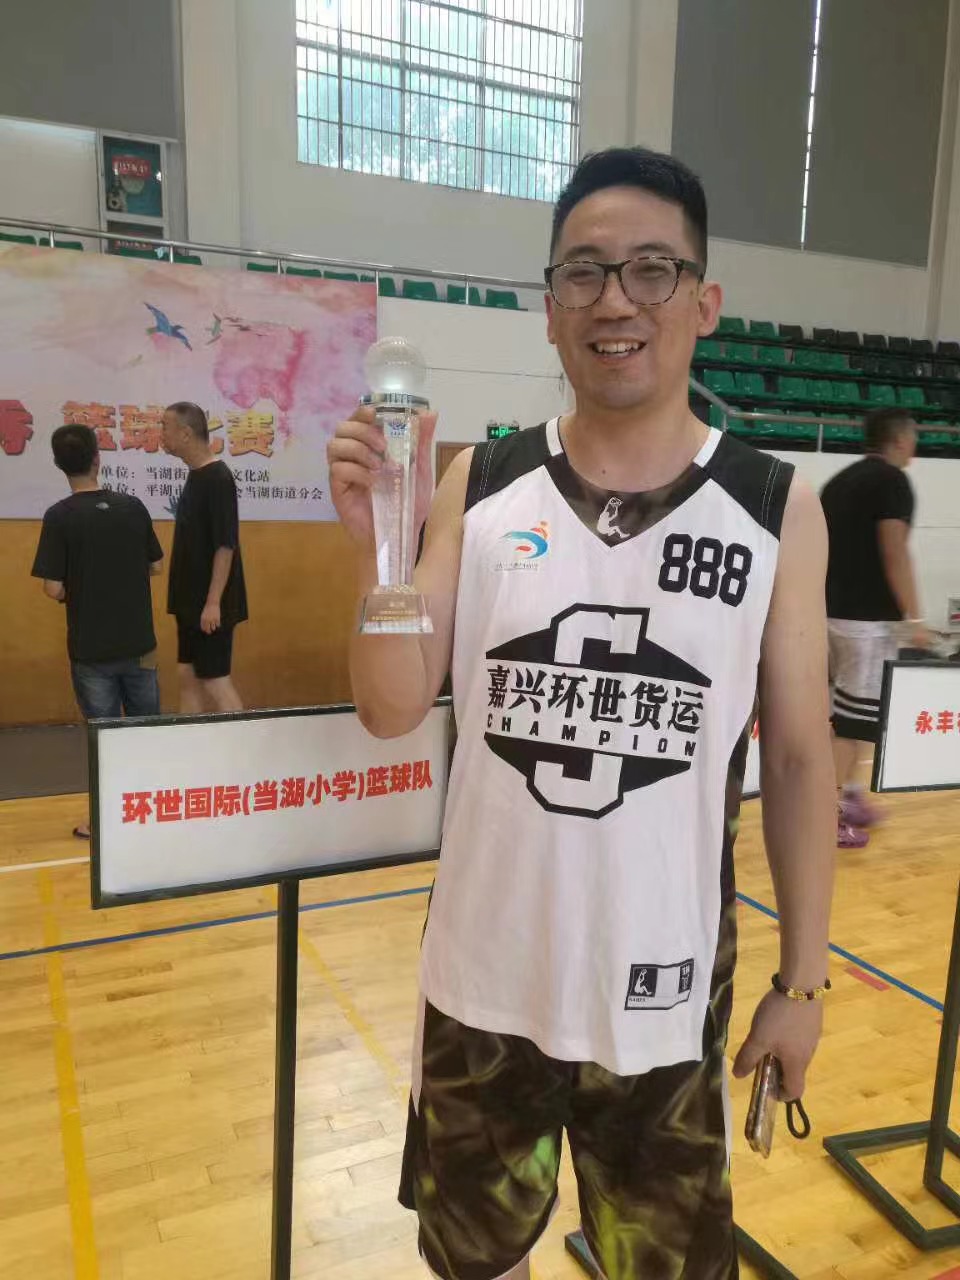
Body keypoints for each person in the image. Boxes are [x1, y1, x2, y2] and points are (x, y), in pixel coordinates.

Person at [329, 146, 835, 1280]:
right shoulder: (478, 481)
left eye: (652, 269)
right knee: (475, 1264)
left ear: (703, 301)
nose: (616, 299)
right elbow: (392, 706)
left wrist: (802, 985)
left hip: (663, 998)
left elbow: (804, 762)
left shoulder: (774, 508)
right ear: (550, 306)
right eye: (585, 272)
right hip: (480, 986)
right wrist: (375, 548)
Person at [31, 423, 163, 838]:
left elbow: (53, 588)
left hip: (91, 650)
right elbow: (156, 565)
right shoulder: (133, 507)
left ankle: (106, 821)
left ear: (58, 464)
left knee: (103, 739)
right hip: (140, 644)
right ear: (97, 458)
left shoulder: (59, 516)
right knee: (147, 731)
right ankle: (152, 811)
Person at [820, 408, 931, 848]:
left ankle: (850, 795)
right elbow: (894, 550)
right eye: (914, 437)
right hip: (866, 625)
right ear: (900, 440)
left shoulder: (840, 481)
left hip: (828, 616)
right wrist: (914, 617)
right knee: (853, 724)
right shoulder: (893, 482)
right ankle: (825, 817)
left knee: (852, 716)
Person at [161, 401, 247, 713]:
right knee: (187, 675)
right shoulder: (196, 475)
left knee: (215, 679)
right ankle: (191, 740)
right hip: (190, 601)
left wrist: (212, 603)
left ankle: (242, 742)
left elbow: (225, 545)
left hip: (211, 604)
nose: (161, 435)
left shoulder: (218, 478)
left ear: (185, 434)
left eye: (165, 428)